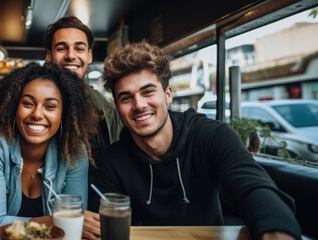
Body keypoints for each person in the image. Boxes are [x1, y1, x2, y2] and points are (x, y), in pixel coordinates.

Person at [96, 40, 302, 240]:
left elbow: (253, 187)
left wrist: (275, 231)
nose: (139, 104)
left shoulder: (210, 136)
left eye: (148, 91)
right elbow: (100, 224)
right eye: (126, 98)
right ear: (117, 106)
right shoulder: (113, 161)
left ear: (168, 95)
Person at [0, 63, 98, 229]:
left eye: (50, 106)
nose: (37, 114)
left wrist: (65, 223)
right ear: (14, 107)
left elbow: (73, 225)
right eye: (28, 104)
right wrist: (52, 222)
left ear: (64, 114)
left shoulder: (74, 151)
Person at [44, 16, 122, 238]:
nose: (71, 55)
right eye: (61, 48)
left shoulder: (107, 110)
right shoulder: (30, 107)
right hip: (46, 220)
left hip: (98, 223)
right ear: (49, 56)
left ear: (89, 55)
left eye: (79, 48)